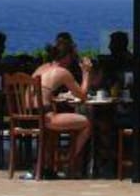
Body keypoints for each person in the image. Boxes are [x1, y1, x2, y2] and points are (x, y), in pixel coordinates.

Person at [32, 36, 94, 177]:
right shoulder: (62, 72)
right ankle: (67, 160)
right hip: (46, 117)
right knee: (87, 124)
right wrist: (86, 73)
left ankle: (49, 164)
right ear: (67, 57)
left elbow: (38, 92)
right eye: (72, 57)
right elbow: (82, 95)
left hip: (28, 115)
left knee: (53, 131)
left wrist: (53, 98)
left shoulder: (42, 67)